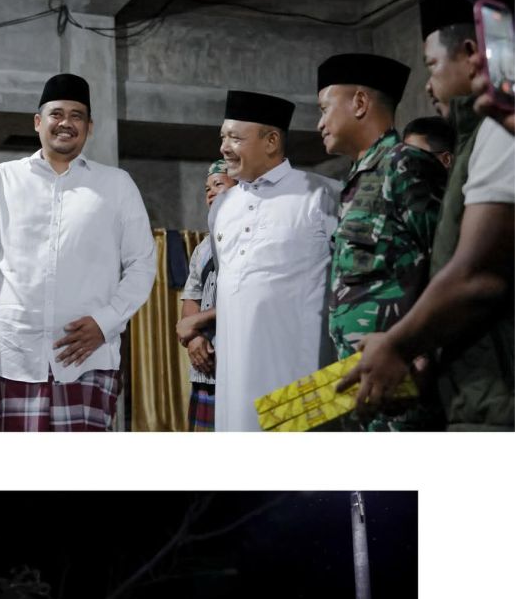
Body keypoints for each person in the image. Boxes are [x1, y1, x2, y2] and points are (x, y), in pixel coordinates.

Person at [338, 0, 514, 431]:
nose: (430, 85)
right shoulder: (481, 136)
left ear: (475, 51)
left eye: (433, 65)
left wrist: (398, 345)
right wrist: (427, 352)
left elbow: (478, 277)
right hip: (475, 389)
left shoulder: (498, 134)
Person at [0, 73, 156, 431]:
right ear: (38, 122)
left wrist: (106, 322)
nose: (66, 123)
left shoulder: (117, 184)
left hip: (89, 358)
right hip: (15, 357)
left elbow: (142, 264)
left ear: (89, 127)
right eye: (57, 113)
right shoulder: (2, 179)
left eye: (77, 116)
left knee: (80, 484)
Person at [317, 52, 447, 430]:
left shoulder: (405, 164)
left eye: (324, 109)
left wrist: (423, 355)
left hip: (403, 384)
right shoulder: (355, 182)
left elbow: (445, 262)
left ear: (359, 103)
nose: (319, 123)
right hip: (363, 383)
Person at [212, 90, 339, 432]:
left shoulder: (323, 194)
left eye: (235, 138)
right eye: (223, 137)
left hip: (301, 378)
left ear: (271, 141)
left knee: (300, 478)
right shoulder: (222, 207)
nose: (224, 147)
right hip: (233, 380)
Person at [176, 160, 235, 431]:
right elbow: (191, 298)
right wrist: (193, 338)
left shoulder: (251, 236)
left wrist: (195, 323)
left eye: (218, 184)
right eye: (206, 188)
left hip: (238, 366)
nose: (210, 192)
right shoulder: (202, 248)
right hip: (205, 369)